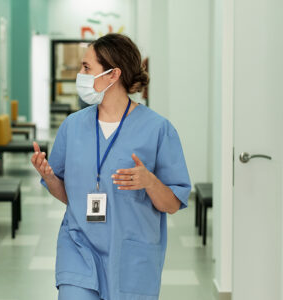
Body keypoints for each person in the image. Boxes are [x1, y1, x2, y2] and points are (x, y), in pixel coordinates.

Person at [31, 33, 191, 300]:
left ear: (113, 74)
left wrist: (149, 182)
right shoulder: (73, 126)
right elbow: (70, 197)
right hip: (78, 247)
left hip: (130, 255)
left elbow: (173, 205)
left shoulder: (158, 129)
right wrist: (49, 177)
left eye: (86, 68)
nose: (79, 75)